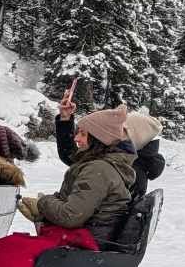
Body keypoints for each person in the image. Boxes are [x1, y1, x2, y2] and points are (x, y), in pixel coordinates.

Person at [20, 104, 134, 242]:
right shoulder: (100, 163)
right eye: (77, 132)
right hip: (83, 239)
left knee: (0, 252)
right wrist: (43, 214)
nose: (76, 138)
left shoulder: (98, 169)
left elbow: (71, 216)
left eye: (83, 134)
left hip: (81, 245)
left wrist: (42, 204)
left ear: (99, 139)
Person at [55, 84, 165, 198]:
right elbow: (73, 156)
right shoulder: (116, 160)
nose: (112, 132)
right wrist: (65, 119)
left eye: (121, 131)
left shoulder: (127, 172)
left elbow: (79, 211)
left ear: (134, 139)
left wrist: (46, 203)